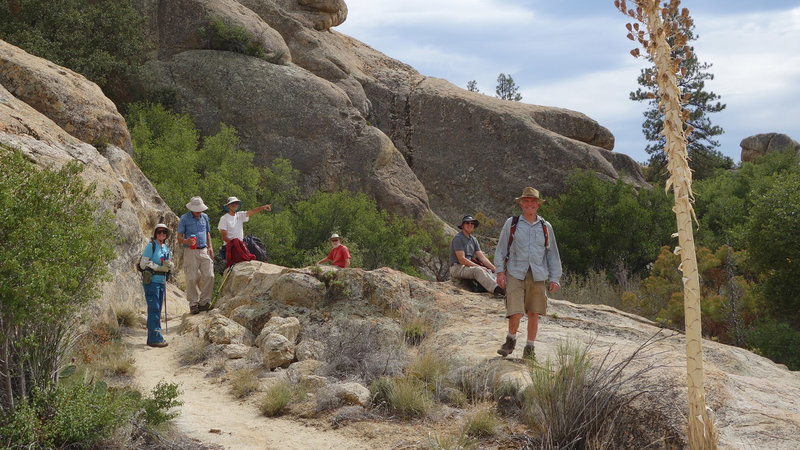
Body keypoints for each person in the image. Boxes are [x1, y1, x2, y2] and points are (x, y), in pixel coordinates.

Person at [493, 187, 562, 359]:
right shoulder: (512, 223)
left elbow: (552, 253)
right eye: (526, 201)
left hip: (538, 275)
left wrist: (555, 277)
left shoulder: (546, 227)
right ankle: (510, 341)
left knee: (534, 313)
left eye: (533, 201)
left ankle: (529, 350)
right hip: (515, 272)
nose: (529, 204)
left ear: (538, 205)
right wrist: (500, 272)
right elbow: (501, 249)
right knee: (515, 312)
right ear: (522, 204)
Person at [177, 196, 214, 314]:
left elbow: (207, 233)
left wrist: (210, 247)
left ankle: (204, 302)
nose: (199, 211)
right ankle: (193, 303)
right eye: (197, 209)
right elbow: (179, 237)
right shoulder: (184, 218)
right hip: (190, 251)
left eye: (200, 209)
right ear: (192, 208)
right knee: (191, 278)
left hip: (203, 249)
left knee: (209, 275)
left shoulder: (205, 217)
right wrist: (186, 241)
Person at [138, 223, 174, 348]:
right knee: (154, 308)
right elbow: (143, 264)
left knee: (157, 309)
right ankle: (155, 338)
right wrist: (158, 267)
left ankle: (153, 337)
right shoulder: (151, 246)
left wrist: (169, 265)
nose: (162, 234)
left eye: (164, 232)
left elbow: (167, 261)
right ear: (155, 233)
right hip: (151, 281)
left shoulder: (165, 247)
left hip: (161, 281)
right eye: (159, 232)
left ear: (167, 234)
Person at [449, 215, 503, 295]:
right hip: (457, 267)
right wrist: (479, 266)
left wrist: (494, 269)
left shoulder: (473, 240)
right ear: (462, 226)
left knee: (490, 270)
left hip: (467, 267)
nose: (470, 224)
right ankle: (498, 290)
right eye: (467, 223)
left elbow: (482, 258)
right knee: (478, 270)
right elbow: (462, 259)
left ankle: (503, 286)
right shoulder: (458, 238)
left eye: (472, 223)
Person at [218, 196, 271, 266]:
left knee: (255, 244)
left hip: (241, 245)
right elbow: (224, 237)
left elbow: (251, 212)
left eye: (236, 203)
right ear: (228, 206)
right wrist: (235, 243)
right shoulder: (224, 218)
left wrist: (262, 207)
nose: (234, 205)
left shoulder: (239, 215)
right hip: (230, 246)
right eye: (232, 203)